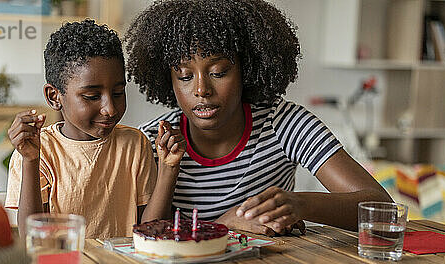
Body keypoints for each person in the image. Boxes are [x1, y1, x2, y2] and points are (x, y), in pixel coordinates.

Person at [124, 0, 392, 236]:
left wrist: (300, 205)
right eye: (184, 76)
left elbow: (382, 209)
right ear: (168, 80)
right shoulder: (153, 140)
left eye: (218, 72)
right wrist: (223, 225)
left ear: (248, 70)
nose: (201, 89)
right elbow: (145, 239)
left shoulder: (283, 122)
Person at [5, 19, 185, 238]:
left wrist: (169, 168)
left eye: (118, 93)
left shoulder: (135, 143)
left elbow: (150, 230)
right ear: (55, 97)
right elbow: (31, 237)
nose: (110, 109)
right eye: (92, 96)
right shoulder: (38, 151)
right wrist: (31, 161)